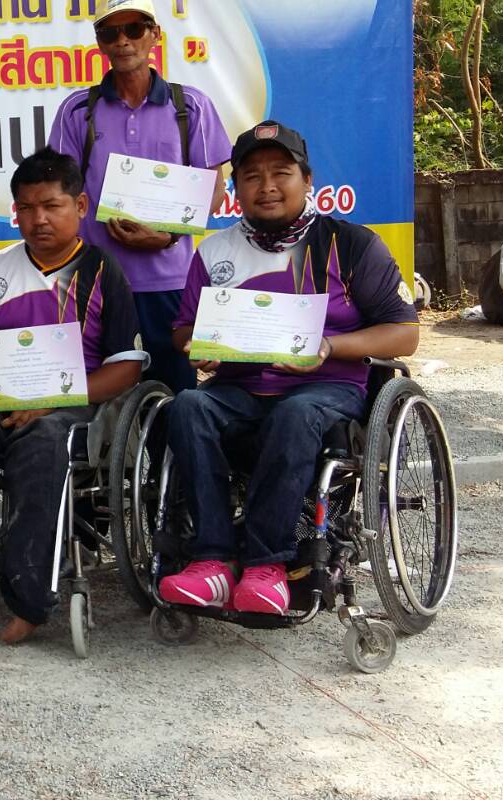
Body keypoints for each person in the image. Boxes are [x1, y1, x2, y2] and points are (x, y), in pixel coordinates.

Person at [159, 121, 419, 614]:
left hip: (327, 387)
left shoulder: (352, 245)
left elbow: (404, 333)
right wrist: (196, 344)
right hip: (239, 388)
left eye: (281, 173)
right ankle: (212, 561)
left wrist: (330, 345)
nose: (267, 186)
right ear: (236, 188)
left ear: (308, 180)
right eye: (252, 176)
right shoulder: (215, 251)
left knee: (295, 414)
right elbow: (183, 328)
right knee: (188, 406)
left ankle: (266, 566)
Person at [0, 149, 142, 644]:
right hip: (0, 400)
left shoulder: (104, 273)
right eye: (26, 208)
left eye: (51, 206)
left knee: (43, 443)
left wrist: (56, 398)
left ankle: (28, 593)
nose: (38, 219)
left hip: (73, 410)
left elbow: (127, 366)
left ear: (80, 206)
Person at [48, 0, 232, 394]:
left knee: (175, 398)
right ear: (99, 43)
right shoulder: (77, 110)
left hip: (170, 284)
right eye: (110, 32)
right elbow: (60, 192)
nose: (123, 41)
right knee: (97, 400)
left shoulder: (191, 106)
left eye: (133, 28)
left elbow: (214, 190)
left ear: (155, 35)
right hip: (97, 281)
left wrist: (168, 236)